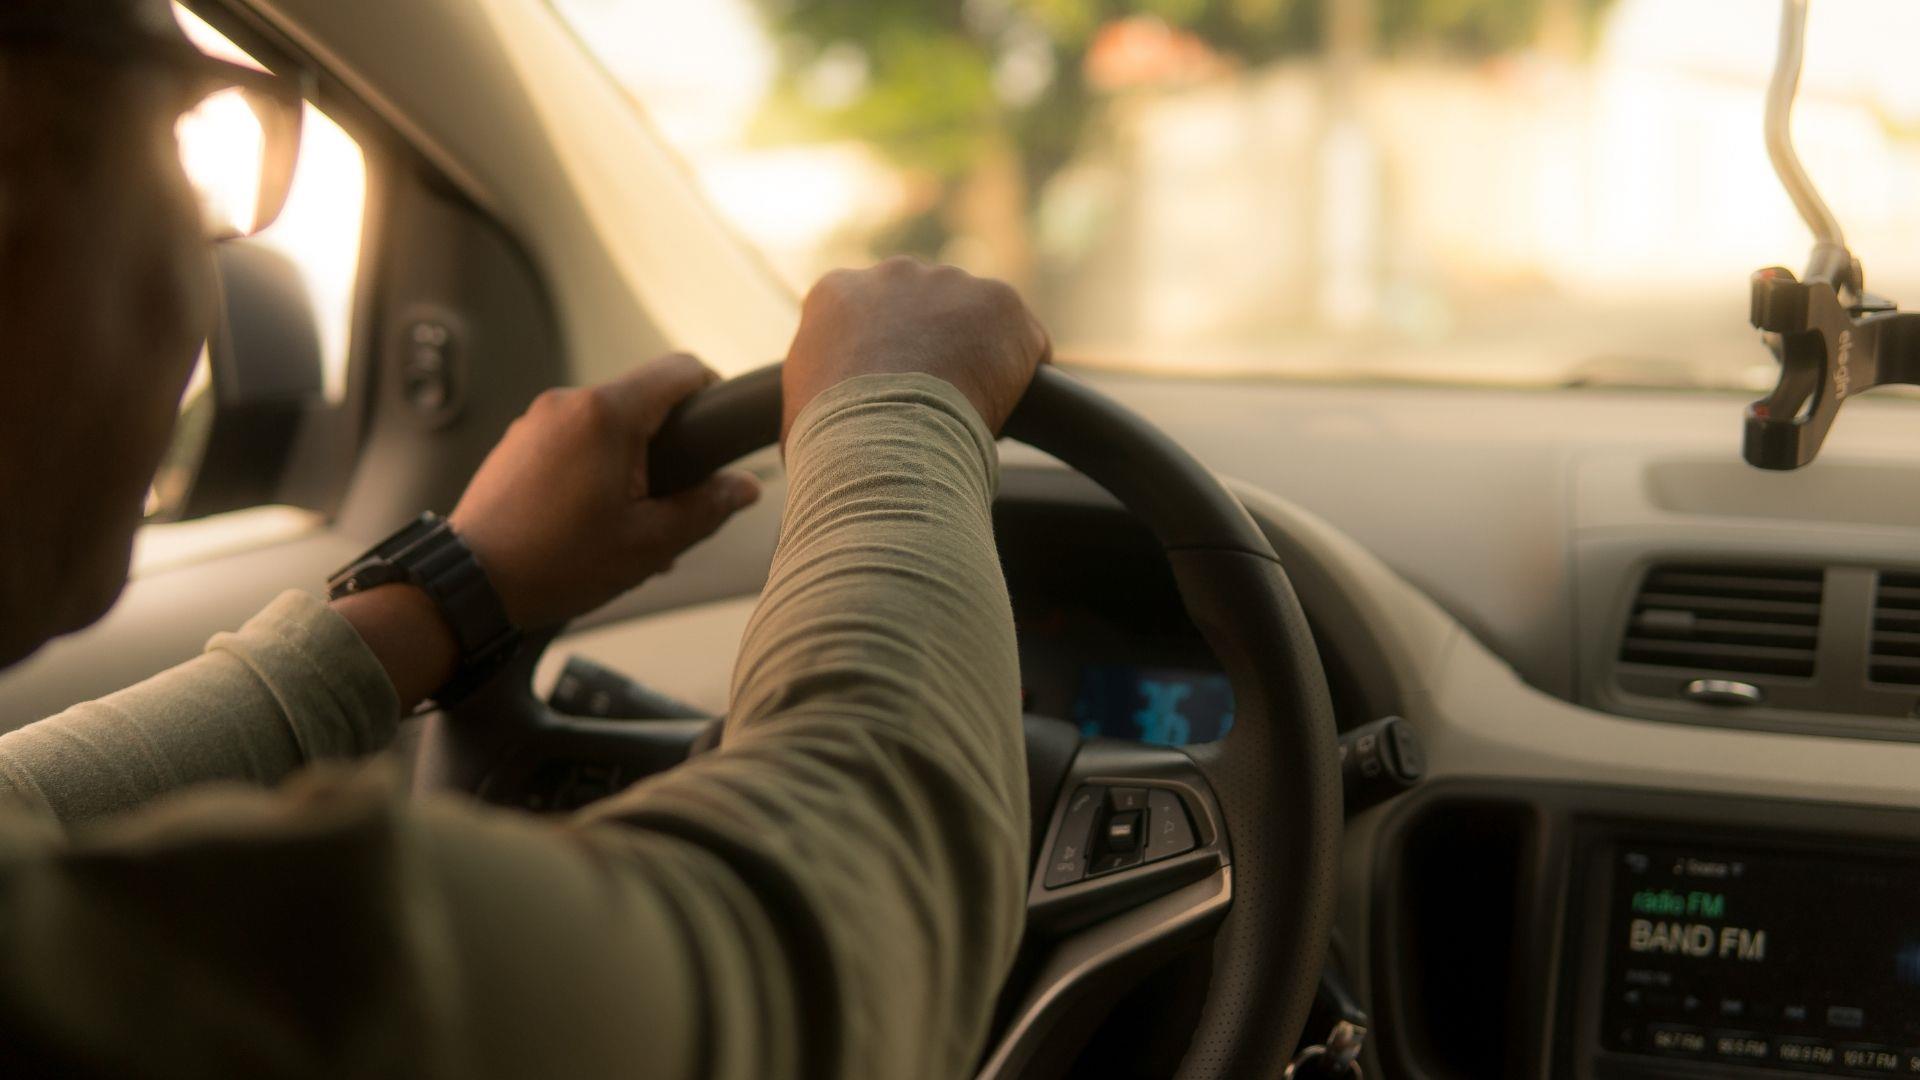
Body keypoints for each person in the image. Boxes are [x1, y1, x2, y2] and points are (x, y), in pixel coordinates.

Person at [0, 2, 1049, 1076]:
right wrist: (899, 409)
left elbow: (25, 797)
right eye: (181, 139)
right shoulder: (163, 985)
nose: (206, 270)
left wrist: (457, 589)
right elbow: (813, 944)